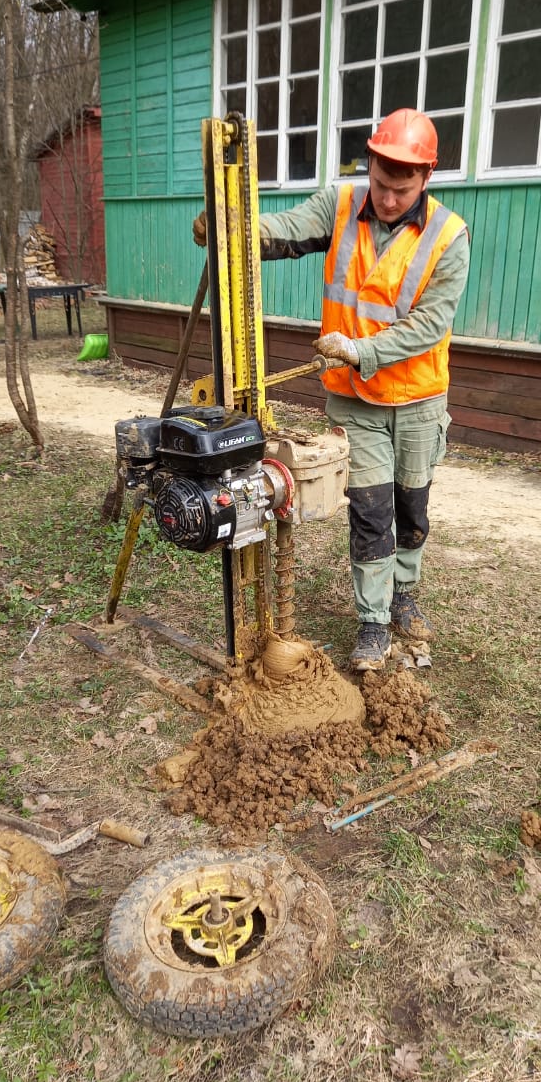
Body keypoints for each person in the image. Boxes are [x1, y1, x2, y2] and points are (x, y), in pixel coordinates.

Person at [192, 108, 470, 672]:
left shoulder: (449, 236)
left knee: (410, 509)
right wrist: (232, 227)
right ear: (368, 165)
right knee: (370, 510)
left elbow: (430, 325)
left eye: (402, 188)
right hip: (356, 401)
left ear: (427, 178)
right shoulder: (340, 205)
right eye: (381, 183)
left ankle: (405, 595)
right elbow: (284, 232)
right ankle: (373, 622)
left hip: (417, 401)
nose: (389, 198)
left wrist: (361, 349)